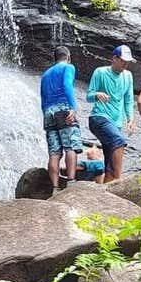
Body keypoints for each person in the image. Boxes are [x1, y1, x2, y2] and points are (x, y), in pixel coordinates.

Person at [87, 45, 136, 182]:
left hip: (116, 123)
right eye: (123, 61)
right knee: (119, 140)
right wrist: (97, 94)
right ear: (114, 58)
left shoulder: (128, 76)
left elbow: (128, 99)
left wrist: (130, 118)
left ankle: (107, 191)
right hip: (98, 118)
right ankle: (119, 180)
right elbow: (88, 96)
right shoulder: (100, 72)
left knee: (109, 163)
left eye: (128, 62)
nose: (125, 64)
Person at [40, 46, 83, 192]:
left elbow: (43, 97)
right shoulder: (68, 67)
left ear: (55, 58)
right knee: (70, 146)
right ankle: (71, 182)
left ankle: (55, 187)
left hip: (48, 112)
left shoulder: (45, 74)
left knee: (54, 152)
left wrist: (45, 115)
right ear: (68, 57)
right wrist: (72, 107)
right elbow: (67, 85)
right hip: (63, 108)